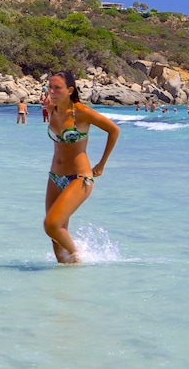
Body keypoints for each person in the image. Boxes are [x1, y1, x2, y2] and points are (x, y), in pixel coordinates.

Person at [44, 71, 120, 264]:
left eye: (57, 88)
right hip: (55, 177)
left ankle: (80, 256)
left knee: (51, 225)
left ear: (70, 90)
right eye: (49, 87)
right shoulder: (52, 109)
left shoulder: (81, 112)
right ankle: (65, 281)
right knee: (56, 238)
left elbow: (113, 130)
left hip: (79, 177)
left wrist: (101, 164)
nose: (51, 91)